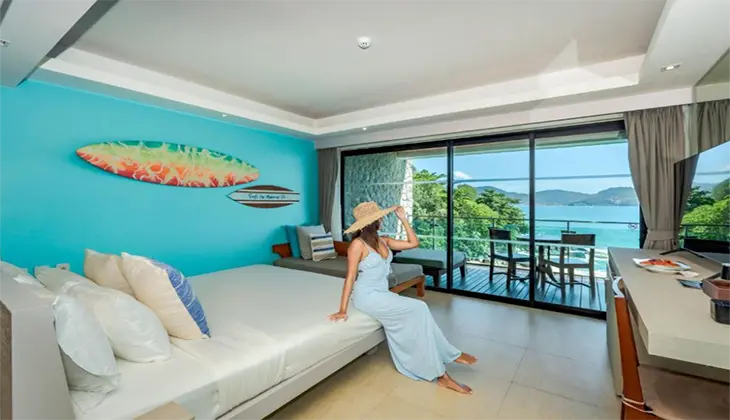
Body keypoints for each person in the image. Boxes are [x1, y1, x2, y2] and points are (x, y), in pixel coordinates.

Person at [328, 201, 477, 394]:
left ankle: (448, 354)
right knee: (419, 308)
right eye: (379, 218)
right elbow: (350, 277)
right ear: (371, 223)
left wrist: (404, 219)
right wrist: (342, 309)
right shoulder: (357, 245)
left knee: (420, 311)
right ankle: (443, 375)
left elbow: (413, 243)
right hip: (367, 296)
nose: (382, 220)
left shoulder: (384, 241)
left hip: (382, 293)